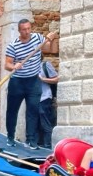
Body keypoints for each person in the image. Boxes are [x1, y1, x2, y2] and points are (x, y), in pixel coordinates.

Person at [4, 19, 57, 148]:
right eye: (24, 30)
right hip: (17, 82)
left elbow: (49, 49)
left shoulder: (37, 38)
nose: (27, 32)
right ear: (19, 30)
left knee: (33, 111)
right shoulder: (13, 46)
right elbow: (7, 64)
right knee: (12, 111)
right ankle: (10, 137)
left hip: (33, 81)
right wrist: (14, 66)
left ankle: (31, 140)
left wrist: (50, 40)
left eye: (28, 29)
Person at [37, 57, 59, 148]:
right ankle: (37, 145)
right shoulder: (28, 67)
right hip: (33, 99)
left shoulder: (45, 65)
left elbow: (56, 79)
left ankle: (47, 146)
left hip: (44, 98)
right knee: (35, 124)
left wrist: (42, 79)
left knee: (45, 123)